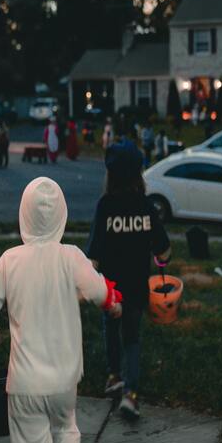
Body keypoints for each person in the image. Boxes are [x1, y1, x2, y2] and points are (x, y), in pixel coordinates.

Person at [0, 177, 122, 443]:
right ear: (62, 215)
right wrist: (114, 303)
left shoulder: (10, 261)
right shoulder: (71, 256)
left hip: (25, 384)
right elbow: (100, 292)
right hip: (64, 380)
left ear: (23, 214)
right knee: (66, 430)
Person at [86, 143, 171, 419]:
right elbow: (163, 249)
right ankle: (130, 395)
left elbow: (94, 256)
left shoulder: (105, 206)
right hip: (136, 288)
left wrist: (89, 282)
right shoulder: (146, 207)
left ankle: (113, 376)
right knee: (132, 338)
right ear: (138, 175)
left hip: (110, 289)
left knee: (110, 329)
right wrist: (161, 261)